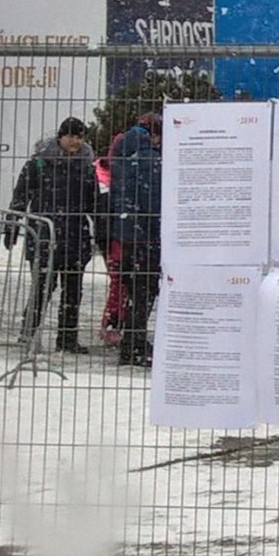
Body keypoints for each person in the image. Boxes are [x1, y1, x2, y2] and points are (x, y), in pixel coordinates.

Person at [5, 115, 103, 354]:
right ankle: (28, 333)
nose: (75, 142)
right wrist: (12, 227)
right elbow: (20, 198)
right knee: (42, 288)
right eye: (70, 136)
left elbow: (95, 205)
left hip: (75, 238)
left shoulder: (87, 167)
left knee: (73, 291)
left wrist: (102, 232)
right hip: (44, 237)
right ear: (60, 137)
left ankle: (67, 339)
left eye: (79, 137)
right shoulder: (38, 164)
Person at [106, 108, 164, 368]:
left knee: (135, 290)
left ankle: (132, 341)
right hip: (146, 236)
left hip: (127, 236)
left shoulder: (125, 156)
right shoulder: (152, 161)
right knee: (145, 292)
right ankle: (134, 343)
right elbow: (154, 203)